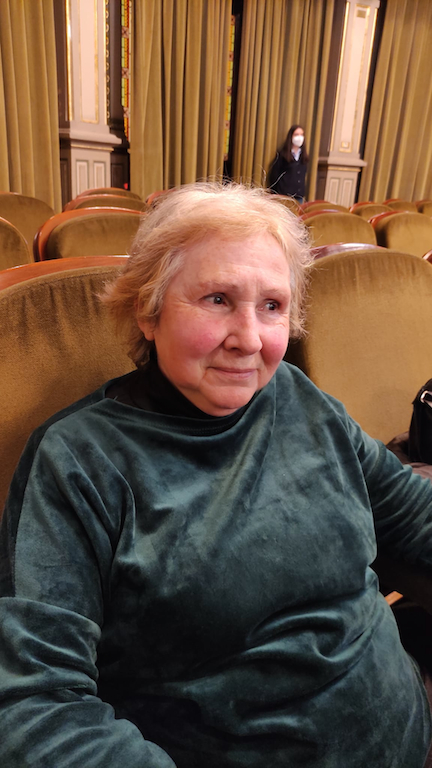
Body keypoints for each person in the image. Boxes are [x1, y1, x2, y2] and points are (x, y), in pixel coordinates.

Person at [0, 182, 432, 768]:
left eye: (272, 306)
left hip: (408, 726)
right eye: (218, 299)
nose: (249, 339)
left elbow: (412, 516)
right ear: (147, 310)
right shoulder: (79, 460)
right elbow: (36, 703)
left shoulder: (298, 396)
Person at [268, 124, 308, 201]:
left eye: (301, 135)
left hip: (298, 196)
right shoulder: (283, 154)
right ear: (291, 137)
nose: (299, 137)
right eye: (296, 134)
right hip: (284, 196)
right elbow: (274, 175)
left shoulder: (303, 155)